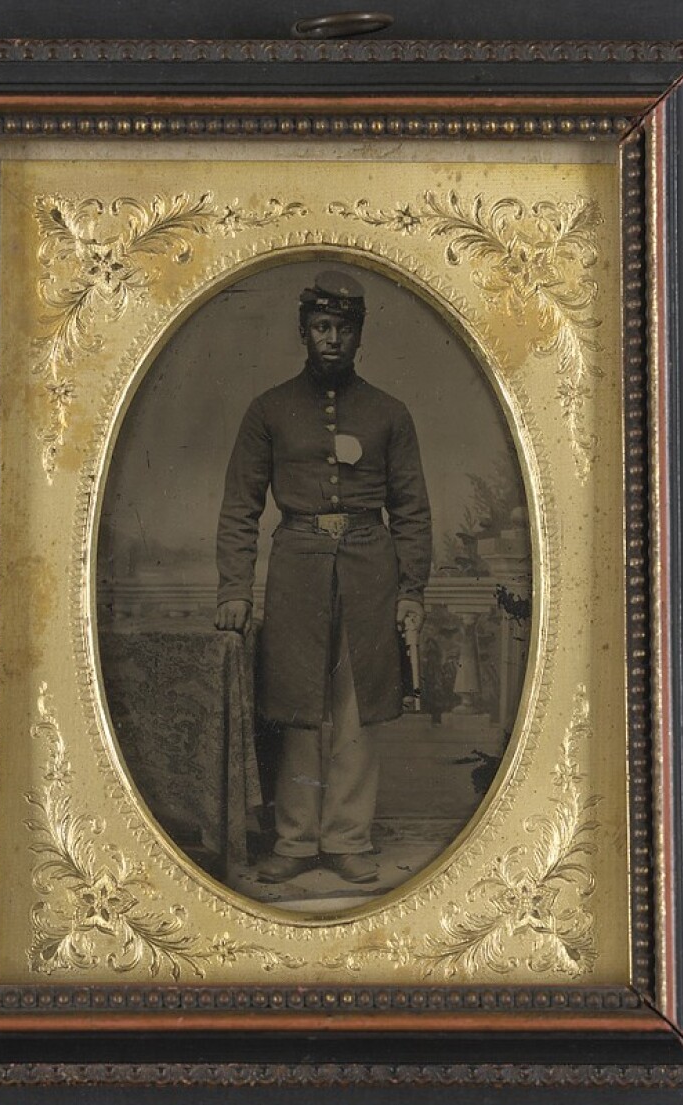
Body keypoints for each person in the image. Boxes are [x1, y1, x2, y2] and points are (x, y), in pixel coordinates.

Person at [215, 269, 432, 884]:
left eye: (344, 328)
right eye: (321, 326)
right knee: (295, 705)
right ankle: (295, 838)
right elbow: (241, 506)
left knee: (355, 706)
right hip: (295, 568)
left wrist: (412, 591)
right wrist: (234, 588)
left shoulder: (390, 413)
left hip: (372, 570)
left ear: (360, 335)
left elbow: (413, 510)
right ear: (304, 332)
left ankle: (347, 838)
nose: (332, 338)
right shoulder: (268, 409)